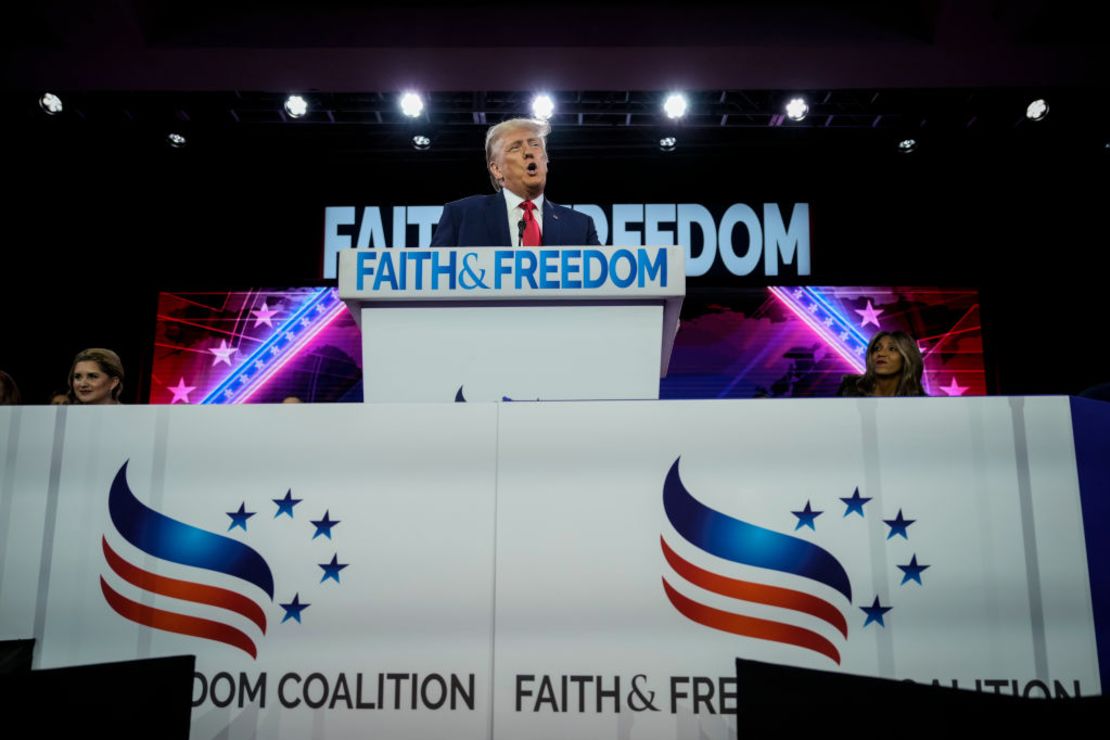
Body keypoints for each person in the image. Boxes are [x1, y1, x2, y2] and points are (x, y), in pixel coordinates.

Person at [430, 117, 601, 248]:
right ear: (497, 169)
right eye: (516, 147)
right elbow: (432, 279)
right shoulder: (461, 216)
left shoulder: (580, 226)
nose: (528, 152)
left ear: (545, 160)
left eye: (535, 144)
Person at [838, 331, 927, 397]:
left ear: (906, 357)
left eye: (892, 349)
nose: (881, 353)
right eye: (877, 348)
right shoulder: (849, 389)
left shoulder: (921, 401)